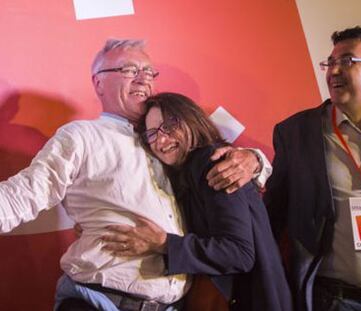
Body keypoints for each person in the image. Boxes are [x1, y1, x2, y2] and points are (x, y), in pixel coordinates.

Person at [0, 39, 271, 310]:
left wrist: (255, 161)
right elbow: (22, 195)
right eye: (129, 70)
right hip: (98, 301)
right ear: (98, 83)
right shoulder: (81, 136)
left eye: (148, 72)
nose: (143, 79)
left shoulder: (170, 143)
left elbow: (217, 162)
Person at [264, 26, 361, 311]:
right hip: (333, 301)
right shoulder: (297, 133)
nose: (333, 71)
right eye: (329, 63)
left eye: (346, 61)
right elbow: (273, 214)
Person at [100, 92, 292, 311]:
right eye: (151, 134)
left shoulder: (212, 163)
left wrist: (163, 243)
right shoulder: (182, 173)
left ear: (192, 120)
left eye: (170, 125)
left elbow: (239, 253)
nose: (161, 140)